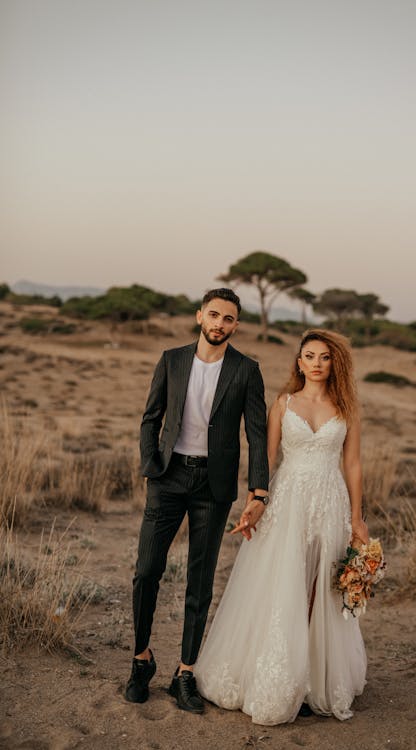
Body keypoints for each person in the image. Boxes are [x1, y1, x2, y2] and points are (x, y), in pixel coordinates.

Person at [195, 328, 369, 725]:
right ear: (299, 361)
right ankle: (279, 675)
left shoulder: (347, 409)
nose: (317, 364)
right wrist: (256, 502)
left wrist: (357, 517)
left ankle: (312, 680)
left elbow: (353, 464)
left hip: (329, 501)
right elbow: (266, 458)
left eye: (325, 357)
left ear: (335, 363)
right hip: (288, 501)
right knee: (283, 584)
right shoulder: (283, 403)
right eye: (310, 356)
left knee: (320, 587)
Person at [125, 288, 269, 713]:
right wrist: (152, 465)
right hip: (167, 479)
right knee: (146, 571)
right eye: (214, 315)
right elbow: (150, 419)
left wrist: (258, 490)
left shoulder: (247, 370)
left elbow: (257, 435)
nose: (220, 324)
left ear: (236, 325)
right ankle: (141, 660)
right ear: (199, 316)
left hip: (214, 486)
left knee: (200, 582)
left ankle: (185, 673)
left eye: (228, 318)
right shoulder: (172, 359)